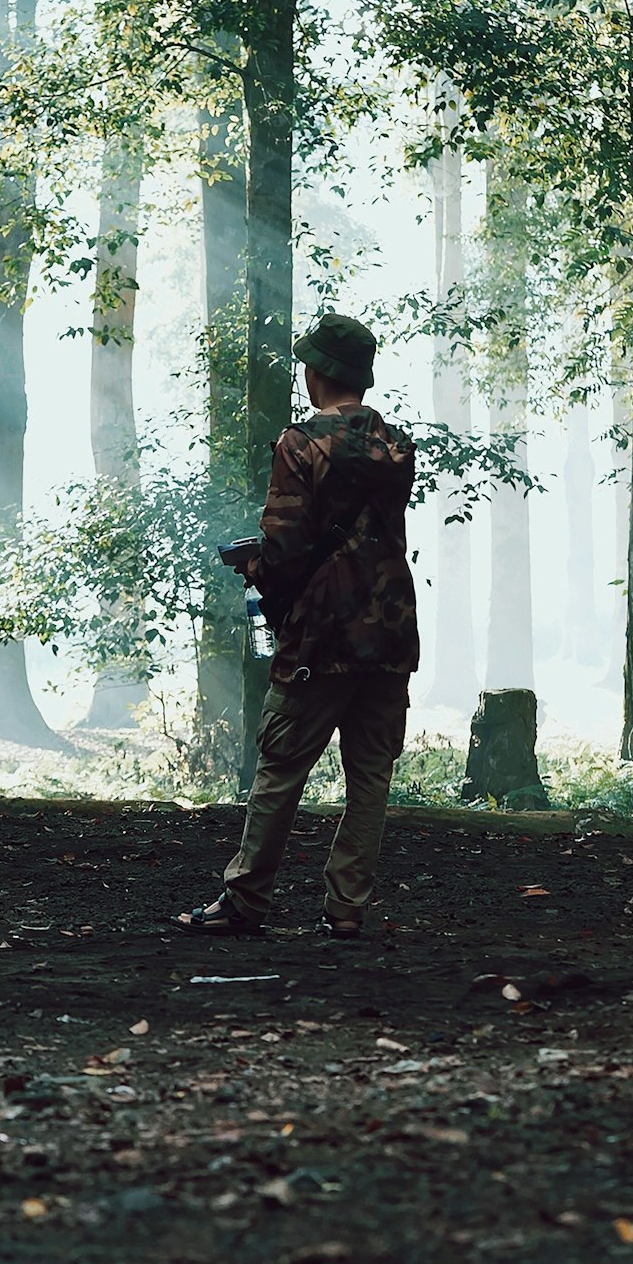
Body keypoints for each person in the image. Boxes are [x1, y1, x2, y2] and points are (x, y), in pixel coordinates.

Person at [174, 313, 419, 939]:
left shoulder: (300, 444)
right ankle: (346, 910)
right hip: (390, 630)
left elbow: (285, 549)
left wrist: (254, 567)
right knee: (370, 775)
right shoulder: (396, 448)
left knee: (281, 767)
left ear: (318, 374)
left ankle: (246, 900)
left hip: (321, 633)